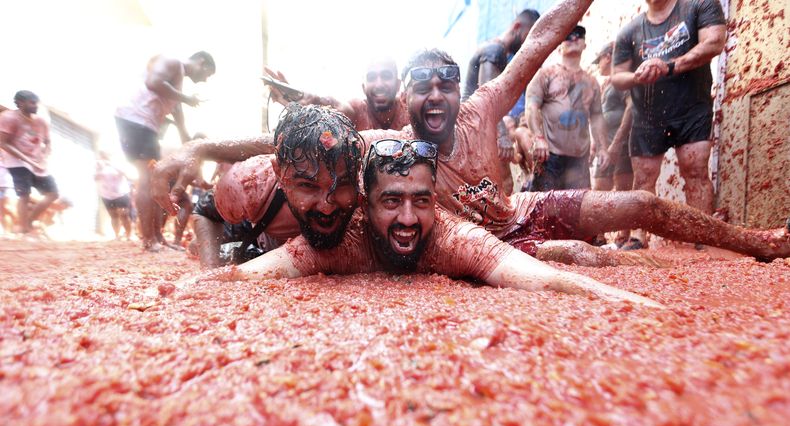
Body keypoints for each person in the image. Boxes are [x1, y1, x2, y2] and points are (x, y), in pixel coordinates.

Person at [150, 0, 789, 265]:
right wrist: (204, 145)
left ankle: (756, 243)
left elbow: (541, 40)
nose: (435, 98)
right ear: (405, 98)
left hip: (525, 210)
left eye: (444, 86)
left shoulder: (484, 106)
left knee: (642, 204)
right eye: (422, 88)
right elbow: (291, 147)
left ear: (458, 89)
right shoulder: (388, 147)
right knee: (577, 257)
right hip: (482, 246)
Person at [177, 139, 660, 307]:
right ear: (365, 205)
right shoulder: (332, 241)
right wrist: (189, 289)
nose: (408, 218)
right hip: (241, 219)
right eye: (391, 202)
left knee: (581, 253)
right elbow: (244, 277)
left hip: (497, 215)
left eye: (420, 202)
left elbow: (545, 280)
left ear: (433, 202)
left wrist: (643, 307)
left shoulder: (454, 239)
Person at [611, 0, 727, 248]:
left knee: (695, 170)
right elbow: (616, 76)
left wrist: (669, 66)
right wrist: (637, 75)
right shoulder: (629, 31)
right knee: (643, 178)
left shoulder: (699, 5)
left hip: (691, 107)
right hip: (647, 114)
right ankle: (638, 238)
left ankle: (702, 234)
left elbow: (715, 41)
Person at [193, 104, 365, 268]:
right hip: (250, 229)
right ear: (279, 173)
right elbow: (204, 211)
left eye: (341, 184)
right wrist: (210, 270)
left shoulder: (371, 177)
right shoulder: (251, 184)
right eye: (308, 185)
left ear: (357, 170)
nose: (326, 207)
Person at [115, 51, 216, 252]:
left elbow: (179, 118)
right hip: (137, 120)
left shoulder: (176, 83)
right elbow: (154, 82)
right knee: (147, 178)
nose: (204, 80)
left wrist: (190, 144)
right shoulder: (173, 62)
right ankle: (149, 240)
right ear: (201, 62)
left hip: (145, 125)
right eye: (207, 74)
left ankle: (158, 237)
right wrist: (186, 98)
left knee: (154, 179)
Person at [463, 9, 541, 194]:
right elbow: (487, 98)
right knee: (502, 186)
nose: (526, 44)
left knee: (499, 187)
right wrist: (503, 136)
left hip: (477, 128)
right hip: (474, 129)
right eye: (526, 37)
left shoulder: (497, 53)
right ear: (516, 27)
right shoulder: (494, 50)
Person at [526, 25, 610, 191]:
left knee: (577, 212)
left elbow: (597, 117)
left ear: (585, 44)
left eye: (578, 35)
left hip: (579, 161)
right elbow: (531, 107)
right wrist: (538, 138)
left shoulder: (592, 82)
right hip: (550, 157)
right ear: (559, 45)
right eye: (568, 35)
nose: (573, 38)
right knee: (545, 210)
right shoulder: (546, 74)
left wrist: (602, 148)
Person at [265, 57, 410, 132]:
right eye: (372, 78)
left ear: (398, 84)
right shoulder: (356, 111)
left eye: (386, 76)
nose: (379, 84)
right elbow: (335, 107)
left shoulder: (411, 112)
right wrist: (310, 103)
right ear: (363, 87)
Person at [591, 41, 635, 247]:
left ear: (607, 57)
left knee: (623, 190)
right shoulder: (605, 84)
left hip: (621, 143)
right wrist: (595, 145)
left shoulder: (620, 81)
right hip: (604, 146)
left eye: (598, 60)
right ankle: (598, 236)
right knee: (599, 189)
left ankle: (623, 237)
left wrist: (617, 142)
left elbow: (630, 108)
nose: (598, 65)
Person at [0, 90, 59, 235]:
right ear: (20, 103)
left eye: (36, 103)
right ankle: (24, 229)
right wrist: (26, 159)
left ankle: (29, 222)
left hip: (37, 162)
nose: (35, 106)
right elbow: (3, 142)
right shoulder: (8, 118)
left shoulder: (41, 121)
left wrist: (44, 159)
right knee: (24, 195)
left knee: (53, 193)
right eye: (32, 103)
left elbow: (48, 142)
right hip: (16, 162)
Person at [94, 151, 133, 240]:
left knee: (124, 214)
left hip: (121, 193)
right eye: (101, 156)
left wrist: (111, 164)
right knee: (113, 216)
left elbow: (126, 174)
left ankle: (128, 235)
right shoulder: (98, 165)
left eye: (104, 156)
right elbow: (95, 178)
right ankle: (117, 235)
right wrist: (99, 169)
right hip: (106, 194)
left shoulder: (117, 163)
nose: (102, 158)